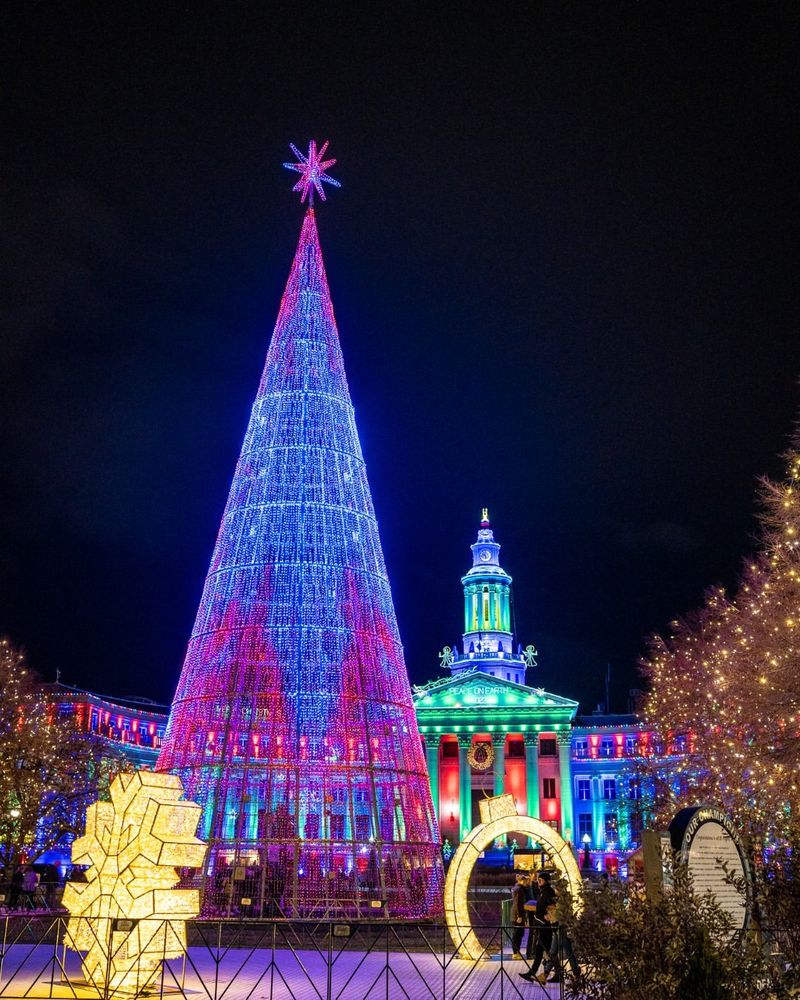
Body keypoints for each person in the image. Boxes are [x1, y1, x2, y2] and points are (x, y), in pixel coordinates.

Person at [519, 871, 560, 985]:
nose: (538, 882)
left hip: (546, 926)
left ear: (546, 881)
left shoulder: (548, 892)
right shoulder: (544, 891)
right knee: (545, 951)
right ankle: (556, 973)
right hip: (543, 925)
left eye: (540, 880)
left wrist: (547, 916)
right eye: (538, 880)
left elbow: (552, 906)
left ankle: (534, 973)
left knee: (543, 950)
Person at [509, 872, 530, 960]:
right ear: (521, 881)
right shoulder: (519, 889)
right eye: (525, 881)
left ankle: (517, 951)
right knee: (517, 934)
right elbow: (518, 903)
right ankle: (515, 952)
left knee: (519, 933)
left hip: (517, 914)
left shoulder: (518, 888)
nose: (527, 883)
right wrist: (520, 916)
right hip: (517, 915)